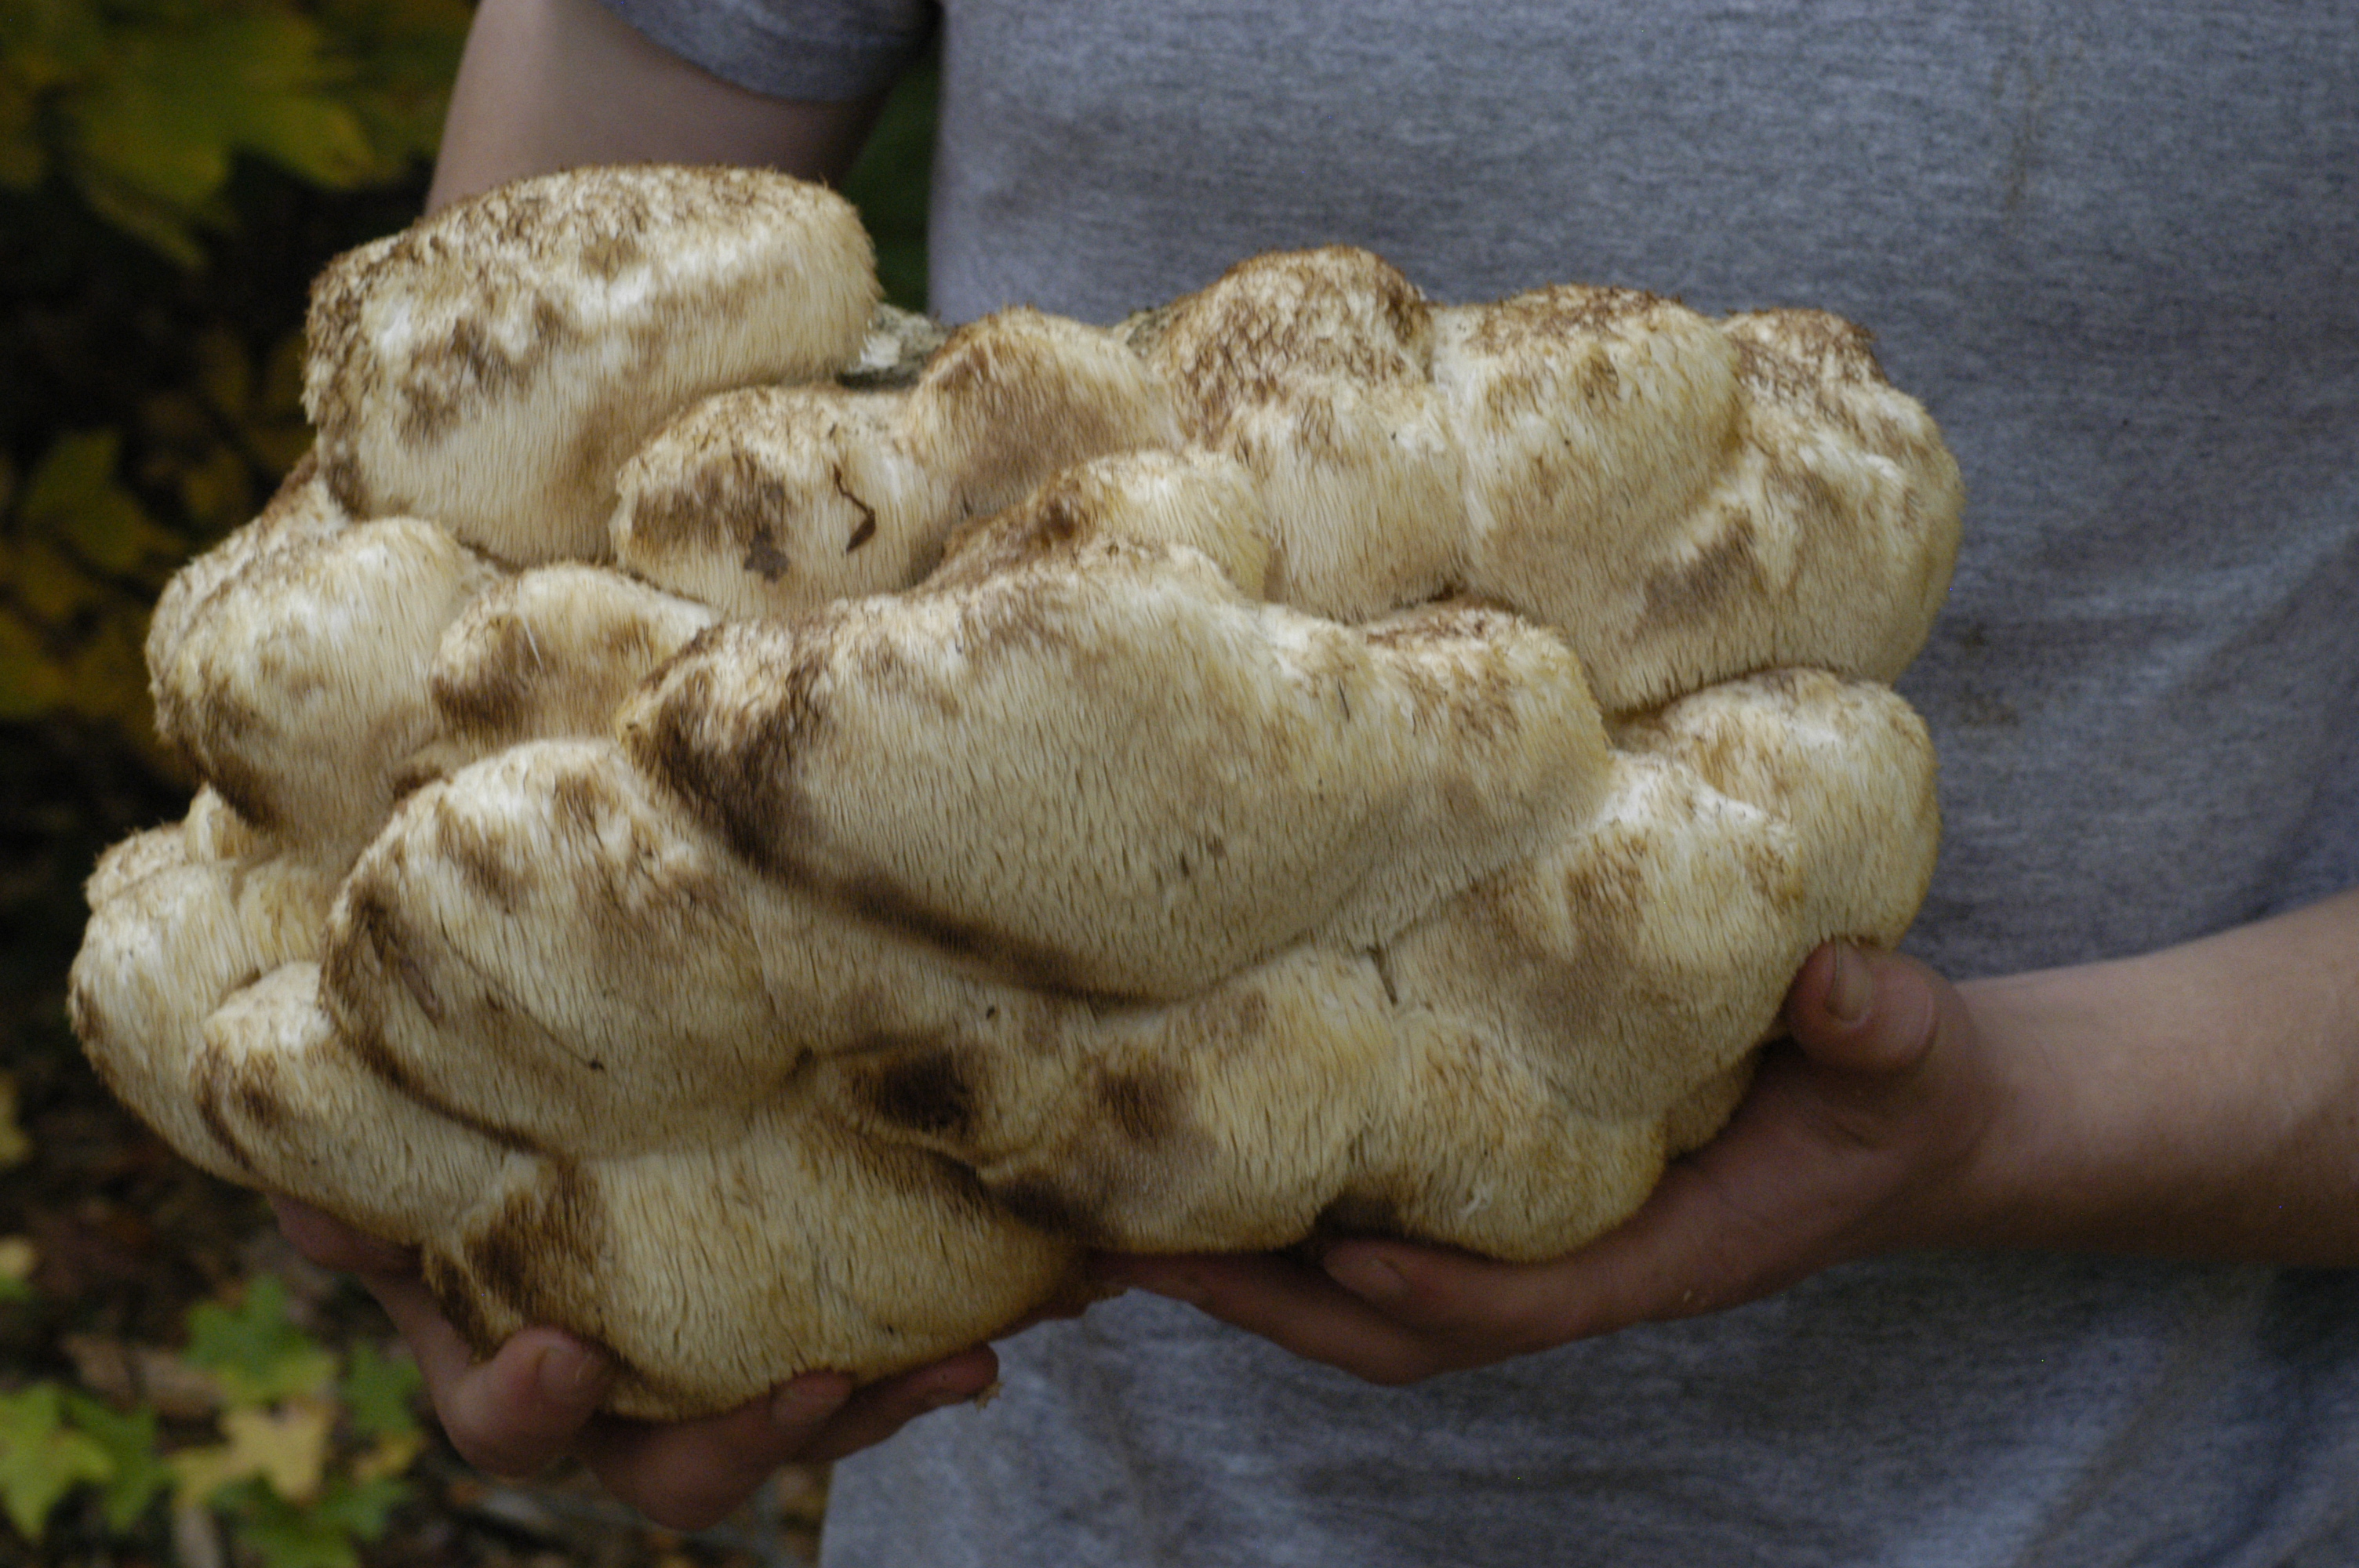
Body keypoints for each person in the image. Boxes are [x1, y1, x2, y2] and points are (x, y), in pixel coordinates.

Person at [281, 0, 2359, 1560]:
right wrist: (479, 1127)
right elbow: (471, 446)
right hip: (1041, 1476)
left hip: (2143, 1495)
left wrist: (2004, 1124)